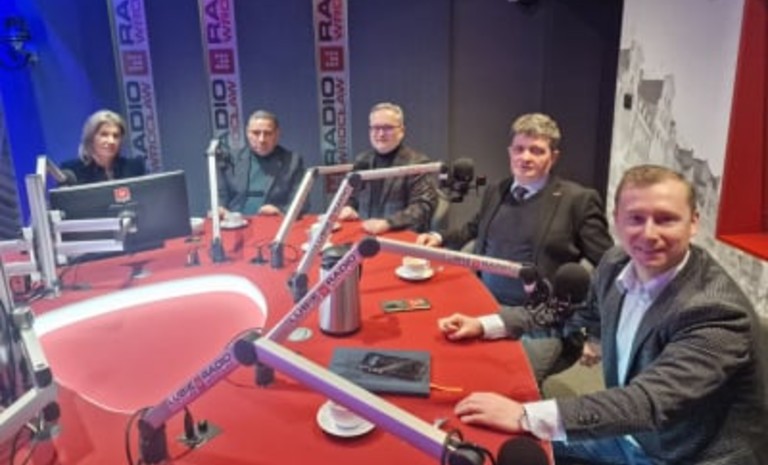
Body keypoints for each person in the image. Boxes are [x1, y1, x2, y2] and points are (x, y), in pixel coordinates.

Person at [451, 165, 767, 464]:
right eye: (636, 218)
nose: (649, 233)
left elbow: (649, 402)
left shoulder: (716, 311)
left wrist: (525, 415)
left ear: (693, 222)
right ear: (616, 220)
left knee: (523, 425)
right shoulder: (617, 262)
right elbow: (571, 315)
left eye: (666, 219)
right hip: (629, 433)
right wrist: (488, 324)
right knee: (491, 441)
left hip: (684, 454)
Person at [420, 113, 613, 384]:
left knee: (508, 384)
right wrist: (437, 236)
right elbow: (473, 229)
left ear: (553, 157)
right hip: (484, 304)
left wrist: (596, 332)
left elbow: (609, 268)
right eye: (519, 149)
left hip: (541, 322)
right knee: (450, 363)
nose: (525, 157)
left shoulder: (578, 200)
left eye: (537, 150)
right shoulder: (497, 190)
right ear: (510, 152)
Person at [338, 102, 438, 234]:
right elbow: (350, 196)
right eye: (375, 127)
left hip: (400, 236)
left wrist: (388, 223)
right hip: (364, 234)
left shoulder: (417, 163)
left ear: (401, 131)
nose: (380, 134)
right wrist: (348, 207)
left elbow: (423, 206)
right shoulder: (362, 161)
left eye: (387, 128)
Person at [218, 110, 305, 216]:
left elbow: (302, 202)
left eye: (267, 133)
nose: (261, 139)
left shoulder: (292, 161)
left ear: (277, 134)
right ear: (247, 133)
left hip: (275, 223)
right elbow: (220, 196)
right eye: (256, 133)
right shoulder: (230, 160)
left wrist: (280, 211)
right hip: (236, 223)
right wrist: (220, 209)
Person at [61, 110, 146, 184]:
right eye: (104, 135)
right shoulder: (72, 171)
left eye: (116, 136)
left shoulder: (134, 168)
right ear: (91, 138)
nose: (111, 141)